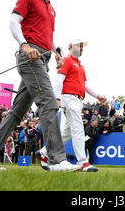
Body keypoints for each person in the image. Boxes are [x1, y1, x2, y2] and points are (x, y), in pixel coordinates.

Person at [0, 0, 80, 172]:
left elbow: (49, 34)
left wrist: (57, 51)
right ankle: (56, 160)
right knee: (49, 102)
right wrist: (25, 45)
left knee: (18, 112)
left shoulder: (51, 8)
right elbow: (13, 21)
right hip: (30, 56)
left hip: (43, 58)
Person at [37, 39, 107, 172]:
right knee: (78, 128)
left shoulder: (81, 66)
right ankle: (83, 162)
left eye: (82, 46)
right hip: (69, 98)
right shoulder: (67, 60)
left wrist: (97, 96)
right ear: (70, 47)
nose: (81, 48)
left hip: (77, 100)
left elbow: (84, 84)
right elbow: (59, 79)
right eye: (79, 45)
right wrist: (57, 98)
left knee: (67, 132)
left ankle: (44, 152)